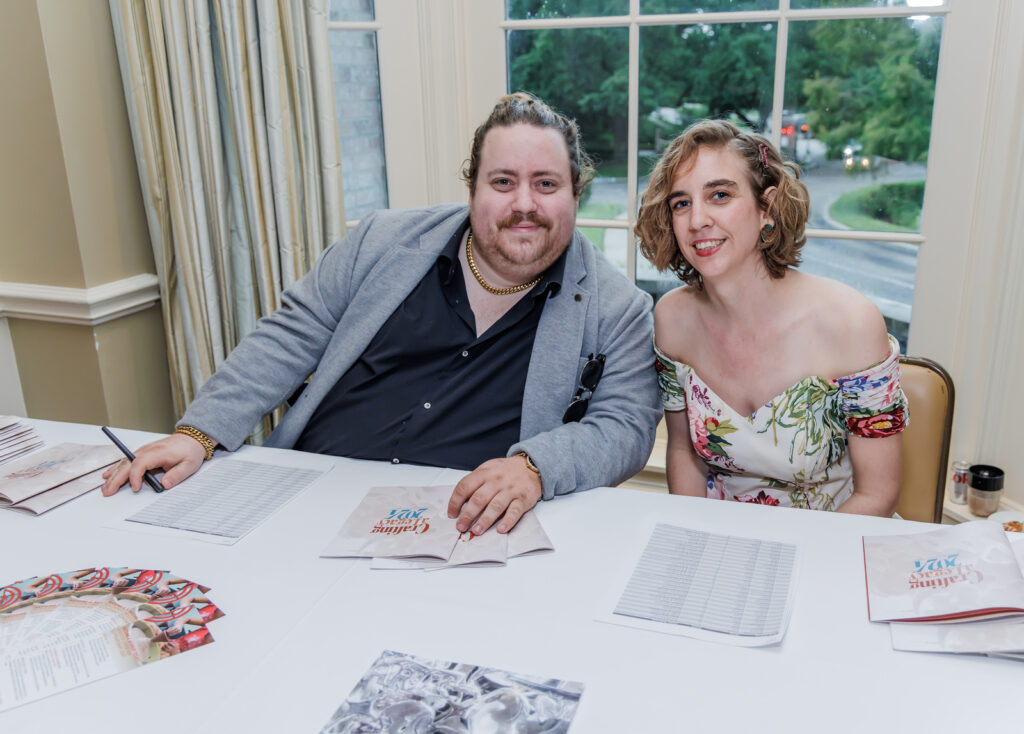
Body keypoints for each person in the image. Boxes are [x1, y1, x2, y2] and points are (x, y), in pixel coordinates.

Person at [102, 92, 660, 534]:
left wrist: (535, 467)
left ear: (575, 194)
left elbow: (625, 428)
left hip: (455, 528)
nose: (524, 204)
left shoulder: (620, 310)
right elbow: (289, 335)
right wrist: (198, 433)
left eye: (546, 184)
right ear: (472, 188)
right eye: (503, 182)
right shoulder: (380, 242)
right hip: (307, 497)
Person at [636, 120, 906, 515]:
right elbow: (683, 454)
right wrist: (697, 537)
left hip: (833, 547)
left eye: (720, 195)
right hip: (723, 541)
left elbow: (878, 494)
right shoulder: (672, 318)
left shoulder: (851, 322)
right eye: (682, 203)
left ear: (769, 207)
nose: (697, 221)